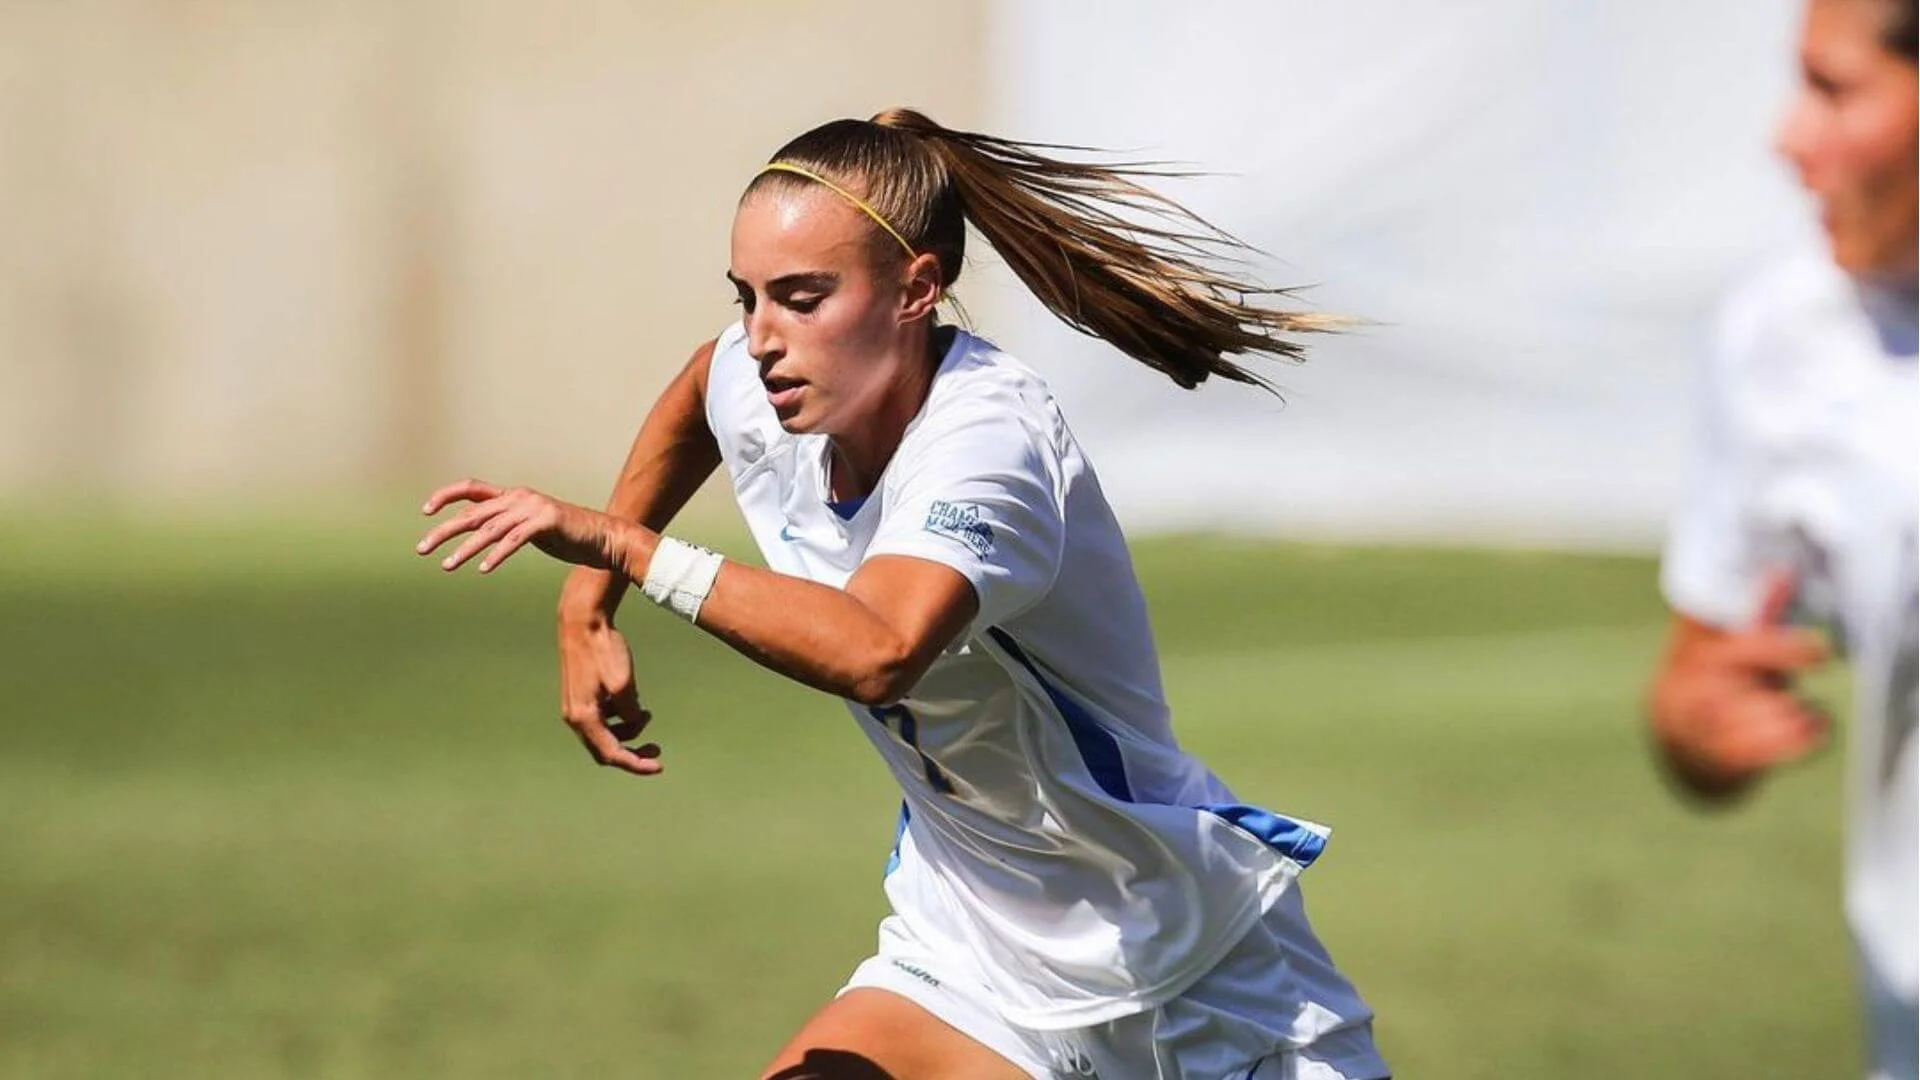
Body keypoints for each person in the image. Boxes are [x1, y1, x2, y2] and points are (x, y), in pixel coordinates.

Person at [413, 108, 1388, 1079]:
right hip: (968, 967)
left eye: (801, 297)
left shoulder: (988, 445)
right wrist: (585, 606)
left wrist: (624, 548)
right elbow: (696, 391)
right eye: (746, 297)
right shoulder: (775, 380)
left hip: (1194, 978)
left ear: (917, 290)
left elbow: (878, 650)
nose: (760, 339)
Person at [1647, 1, 1917, 1076]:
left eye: (1833, 87)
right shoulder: (1788, 335)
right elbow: (1697, 674)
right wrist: (1699, 725)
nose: (1785, 135)